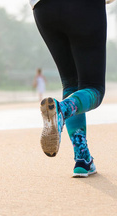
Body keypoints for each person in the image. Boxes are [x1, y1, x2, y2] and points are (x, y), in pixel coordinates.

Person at [31, 0, 108, 178]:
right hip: (83, 7)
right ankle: (62, 109)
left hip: (44, 9)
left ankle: (83, 159)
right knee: (94, 88)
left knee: (71, 84)